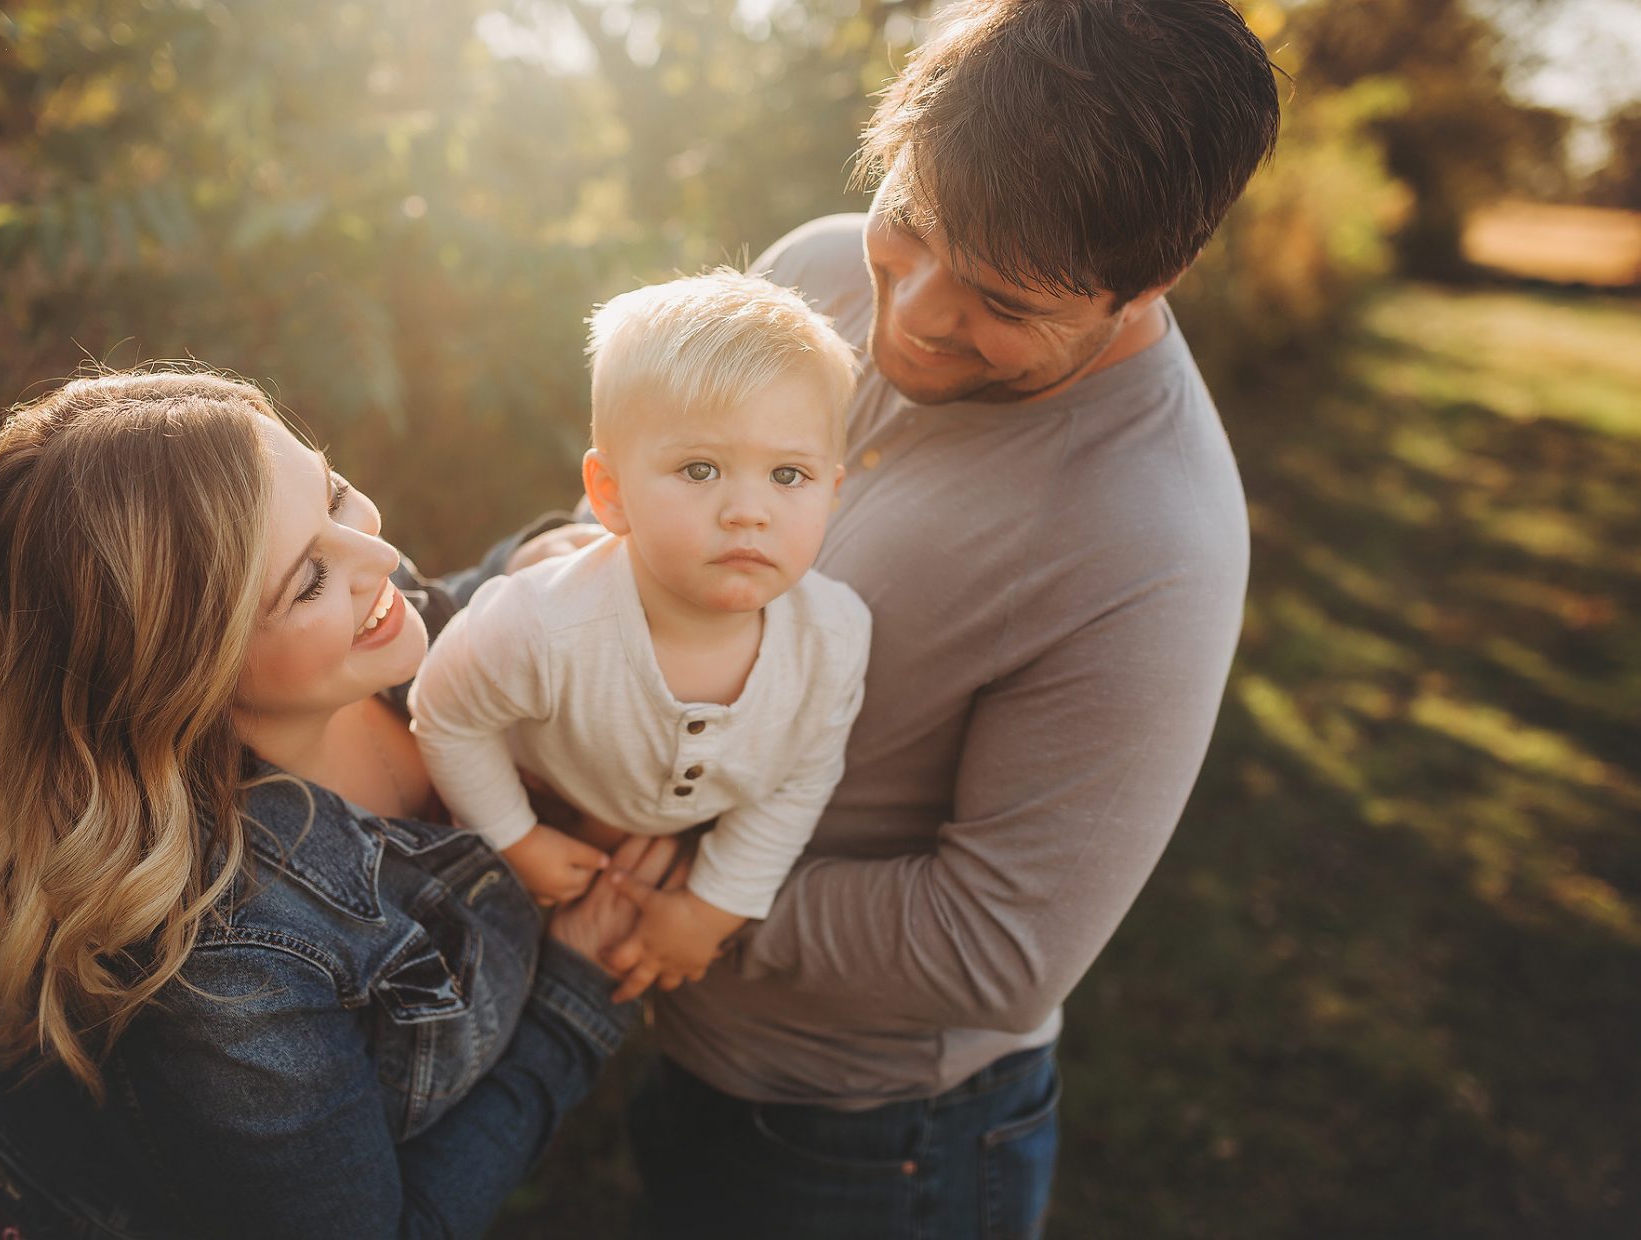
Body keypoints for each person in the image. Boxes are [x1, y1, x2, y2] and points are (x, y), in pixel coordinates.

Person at [492, 2, 1283, 1235]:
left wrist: (679, 887)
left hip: (872, 1148)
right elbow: (648, 516)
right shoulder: (813, 271)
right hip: (678, 1052)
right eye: (907, 226)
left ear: (1152, 279)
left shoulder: (1151, 535)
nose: (910, 312)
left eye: (1005, 302)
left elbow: (997, 946)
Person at [0, 369, 679, 1239]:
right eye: (308, 581)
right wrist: (576, 995)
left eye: (338, 495)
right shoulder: (228, 968)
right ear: (187, 675)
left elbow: (453, 604)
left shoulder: (356, 635)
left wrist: (544, 563)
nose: (380, 558)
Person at [408, 270, 871, 1001]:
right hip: (547, 800)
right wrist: (514, 836)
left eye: (788, 474)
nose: (748, 510)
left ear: (833, 491)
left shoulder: (835, 636)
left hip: (672, 851)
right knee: (474, 981)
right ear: (610, 494)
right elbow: (445, 713)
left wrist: (710, 910)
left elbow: (798, 781)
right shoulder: (542, 620)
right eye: (700, 468)